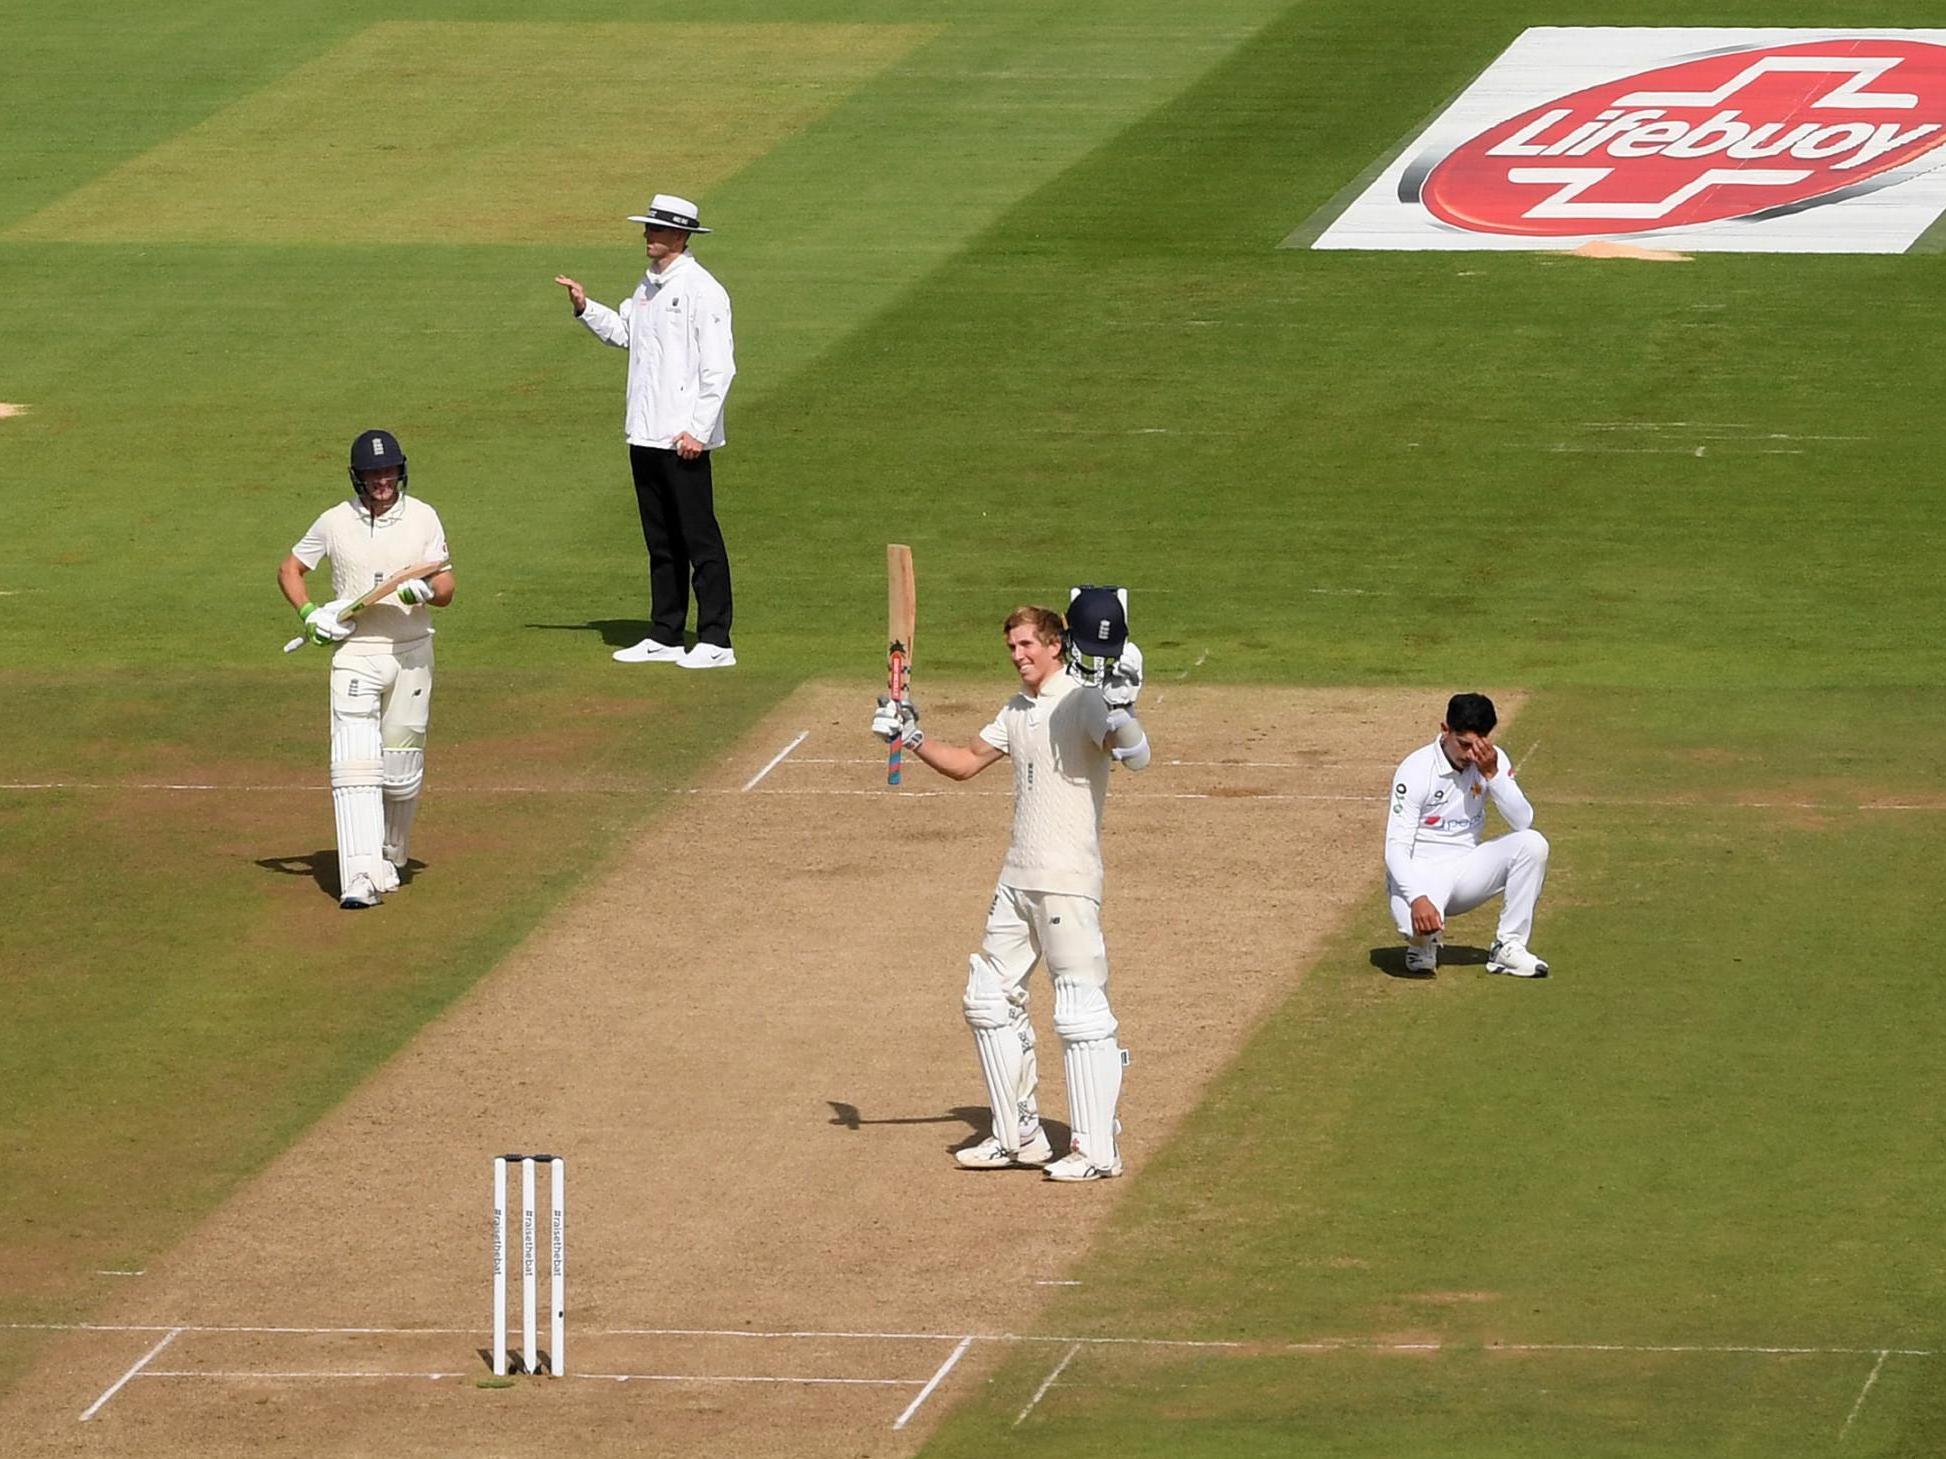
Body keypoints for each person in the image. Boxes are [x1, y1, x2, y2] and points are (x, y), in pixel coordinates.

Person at [872, 588, 1151, 1181]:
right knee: (987, 999)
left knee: (1078, 1011)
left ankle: (1097, 1150)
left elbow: (1134, 753)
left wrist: (1124, 711)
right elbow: (966, 763)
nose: (1017, 654)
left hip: (1066, 881)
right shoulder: (1015, 711)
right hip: (1017, 878)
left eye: (1027, 644)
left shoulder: (1081, 701)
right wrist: (911, 734)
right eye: (1011, 646)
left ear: (1057, 645)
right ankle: (1017, 1135)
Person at [554, 193, 737, 670]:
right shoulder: (648, 286)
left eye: (656, 230)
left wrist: (697, 430)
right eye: (647, 228)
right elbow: (628, 336)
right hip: (646, 433)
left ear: (680, 236)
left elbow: (720, 369)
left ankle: (717, 639)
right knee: (661, 541)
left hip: (683, 440)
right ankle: (666, 633)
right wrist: (585, 307)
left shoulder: (702, 290)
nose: (647, 236)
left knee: (700, 539)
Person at [276, 429, 455, 909]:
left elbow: (446, 584)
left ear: (401, 470)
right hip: (355, 653)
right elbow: (290, 568)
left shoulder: (423, 517)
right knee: (354, 766)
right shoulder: (334, 522)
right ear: (358, 476)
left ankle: (391, 855)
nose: (383, 480)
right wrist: (310, 614)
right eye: (374, 472)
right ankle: (359, 876)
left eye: (389, 470)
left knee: (399, 773)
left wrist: (427, 592)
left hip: (412, 652)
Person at [1384, 692, 1551, 977]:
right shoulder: (1415, 770)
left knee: (1533, 844)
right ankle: (1422, 945)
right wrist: (1417, 898)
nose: (1470, 754)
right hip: (1422, 870)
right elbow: (1395, 847)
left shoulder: (1489, 761)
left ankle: (1508, 946)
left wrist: (1493, 775)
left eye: (1478, 745)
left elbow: (1523, 821)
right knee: (1415, 927)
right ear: (1445, 730)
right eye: (1463, 745)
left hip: (1468, 867)